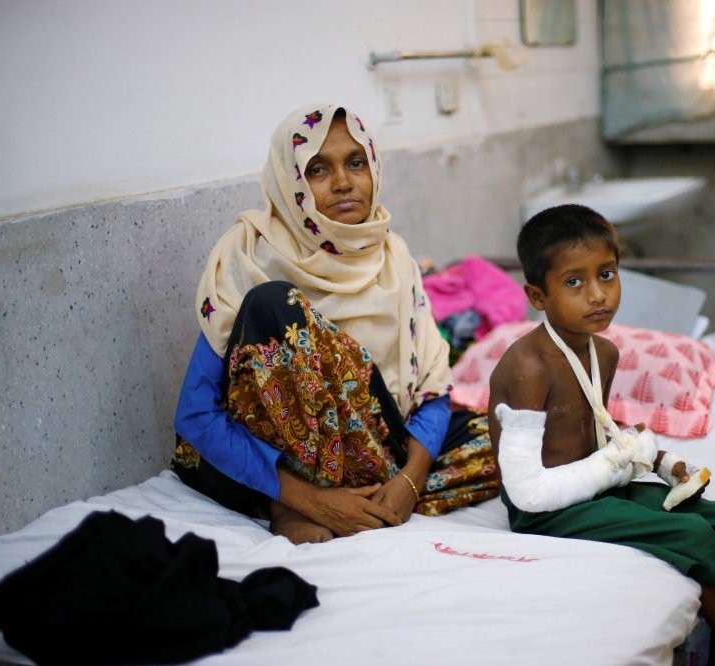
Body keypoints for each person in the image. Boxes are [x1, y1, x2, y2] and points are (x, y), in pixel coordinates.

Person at [171, 103, 498, 545]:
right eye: (318, 170)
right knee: (273, 305)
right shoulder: (248, 255)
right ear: (291, 181)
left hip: (378, 450)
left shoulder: (394, 258)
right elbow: (196, 415)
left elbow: (431, 390)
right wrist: (305, 498)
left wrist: (410, 482)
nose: (344, 182)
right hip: (282, 469)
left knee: (509, 436)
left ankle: (371, 498)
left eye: (356, 163)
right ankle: (289, 507)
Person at [487, 204, 715, 666]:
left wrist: (659, 462)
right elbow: (526, 492)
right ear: (537, 297)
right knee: (696, 535)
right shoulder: (529, 367)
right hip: (544, 511)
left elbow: (595, 426)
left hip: (595, 492)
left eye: (607, 274)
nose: (598, 295)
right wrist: (611, 468)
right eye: (574, 282)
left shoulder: (604, 352)